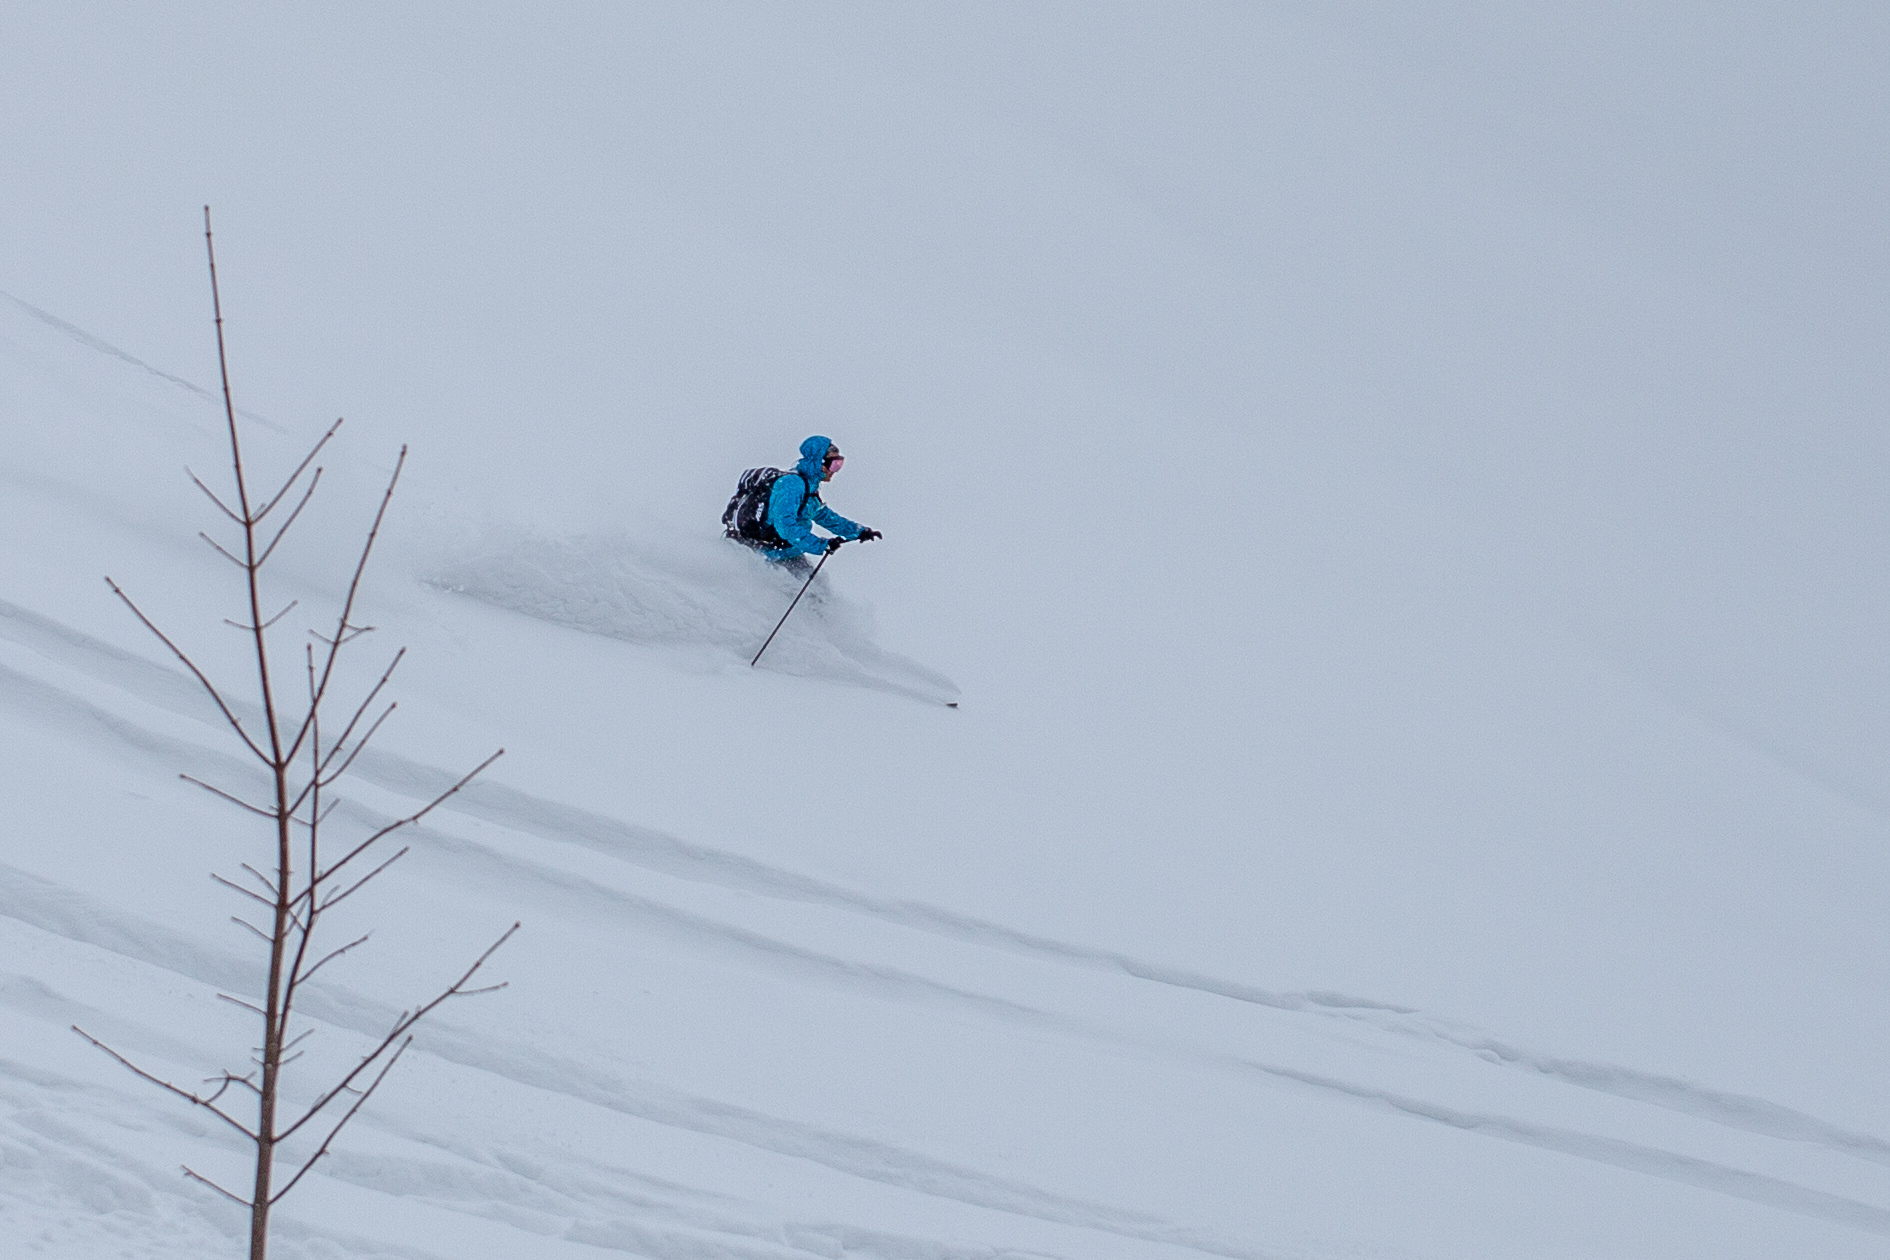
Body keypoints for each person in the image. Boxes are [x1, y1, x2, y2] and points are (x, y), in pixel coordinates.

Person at [737, 435, 882, 573]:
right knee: (796, 596)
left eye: (839, 464)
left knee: (820, 595)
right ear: (819, 462)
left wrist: (858, 531)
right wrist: (820, 545)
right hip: (766, 555)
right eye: (834, 464)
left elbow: (824, 516)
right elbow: (785, 526)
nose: (835, 471)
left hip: (788, 552)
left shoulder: (809, 488)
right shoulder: (790, 485)